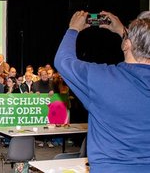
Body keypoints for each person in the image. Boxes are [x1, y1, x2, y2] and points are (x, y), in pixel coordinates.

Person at [54, 10, 150, 172]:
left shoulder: (102, 79)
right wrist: (123, 32)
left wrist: (73, 29)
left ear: (127, 44)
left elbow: (63, 61)